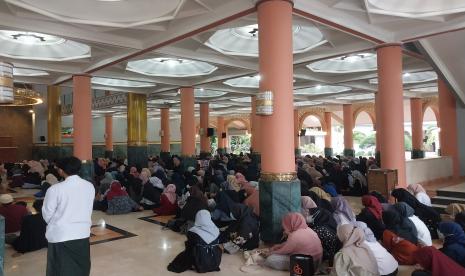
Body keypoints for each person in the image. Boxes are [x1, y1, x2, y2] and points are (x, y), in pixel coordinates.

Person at [42, 156, 95, 276]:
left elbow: (47, 213)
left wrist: (58, 222)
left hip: (61, 235)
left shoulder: (55, 189)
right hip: (82, 233)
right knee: (80, 267)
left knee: (59, 269)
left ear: (61, 170)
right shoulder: (89, 186)